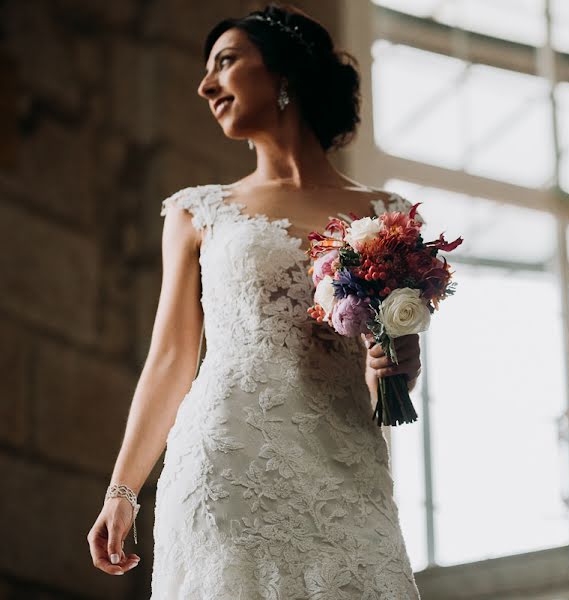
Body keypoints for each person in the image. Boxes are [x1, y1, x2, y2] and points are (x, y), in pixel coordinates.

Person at [86, 4, 424, 598]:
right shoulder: (198, 210)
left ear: (282, 72)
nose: (205, 84)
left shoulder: (386, 215)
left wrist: (395, 367)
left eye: (225, 61)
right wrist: (122, 490)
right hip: (229, 456)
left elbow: (384, 375)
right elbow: (170, 358)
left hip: (347, 462)